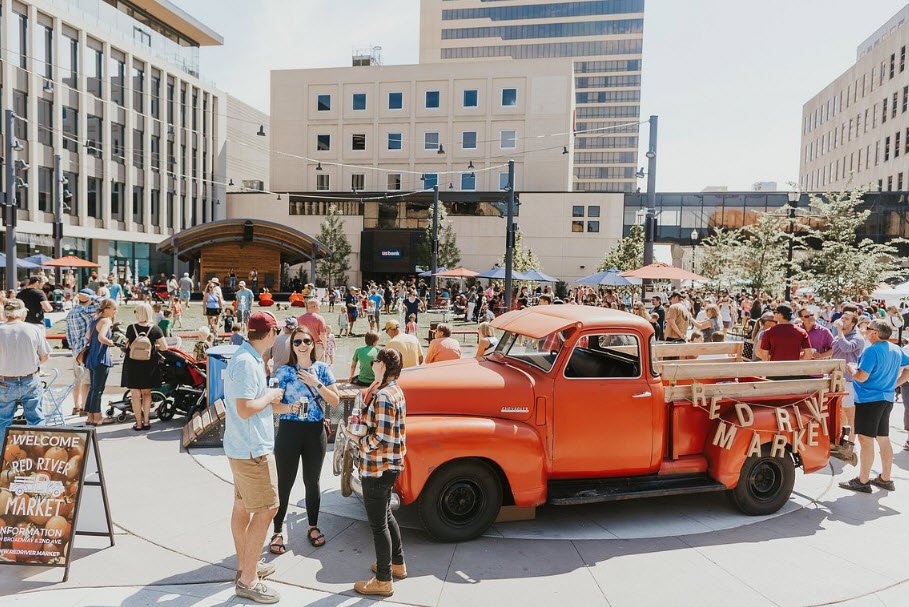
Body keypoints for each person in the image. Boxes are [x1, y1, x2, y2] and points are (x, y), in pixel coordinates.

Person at [222, 311, 287, 603]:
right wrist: (272, 396)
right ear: (270, 334)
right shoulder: (248, 363)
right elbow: (246, 408)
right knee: (268, 509)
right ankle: (248, 580)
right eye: (278, 332)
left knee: (242, 506)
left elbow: (247, 406)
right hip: (252, 450)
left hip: (241, 447)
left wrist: (279, 405)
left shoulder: (247, 357)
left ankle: (245, 566)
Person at [270, 326, 340, 556]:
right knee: (284, 482)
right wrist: (290, 407)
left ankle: (312, 526)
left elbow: (335, 401)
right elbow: (272, 405)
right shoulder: (283, 372)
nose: (302, 345)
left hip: (314, 431)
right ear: (292, 346)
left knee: (312, 481)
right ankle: (277, 531)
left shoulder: (322, 369)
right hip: (289, 430)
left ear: (313, 344)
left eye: (306, 341)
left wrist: (315, 383)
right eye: (297, 342)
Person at [353, 348, 407, 597]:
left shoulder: (384, 395)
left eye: (375, 361)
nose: (372, 364)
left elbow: (381, 437)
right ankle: (397, 563)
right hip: (390, 465)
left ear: (383, 365)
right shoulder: (394, 390)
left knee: (378, 525)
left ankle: (384, 580)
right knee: (385, 515)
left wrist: (360, 443)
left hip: (378, 466)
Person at [839, 319, 909, 493]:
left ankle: (863, 481)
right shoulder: (895, 348)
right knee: (883, 438)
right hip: (886, 399)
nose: (865, 330)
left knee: (865, 439)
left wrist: (851, 369)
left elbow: (861, 377)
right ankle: (885, 478)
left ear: (875, 333)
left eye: (868, 328)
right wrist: (895, 383)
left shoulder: (872, 350)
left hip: (869, 400)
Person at [0, 299, 50, 437]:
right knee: (36, 419)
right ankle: (36, 448)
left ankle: (2, 449)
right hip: (30, 379)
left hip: (4, 381)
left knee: (3, 421)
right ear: (22, 312)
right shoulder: (33, 329)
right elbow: (45, 356)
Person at [122, 302, 168, 431]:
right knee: (147, 394)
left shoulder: (131, 328)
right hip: (149, 364)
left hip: (132, 364)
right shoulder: (155, 329)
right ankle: (147, 421)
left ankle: (138, 423)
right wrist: (152, 346)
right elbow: (164, 347)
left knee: (135, 394)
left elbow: (126, 345)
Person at [831, 312, 865, 459]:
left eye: (846, 319)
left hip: (849, 381)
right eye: (842, 318)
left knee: (851, 415)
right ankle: (840, 442)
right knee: (840, 413)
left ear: (853, 323)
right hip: (836, 378)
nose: (842, 320)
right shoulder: (839, 335)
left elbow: (846, 348)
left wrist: (839, 330)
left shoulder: (857, 338)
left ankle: (850, 445)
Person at [84, 298, 118, 426]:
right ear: (107, 308)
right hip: (101, 357)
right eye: (114, 309)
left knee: (93, 388)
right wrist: (111, 342)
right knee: (98, 389)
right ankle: (97, 417)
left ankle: (90, 417)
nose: (115, 311)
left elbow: (88, 336)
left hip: (91, 357)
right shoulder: (106, 320)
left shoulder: (95, 320)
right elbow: (101, 337)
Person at [65, 289, 99, 416]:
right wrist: (92, 297)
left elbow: (68, 333)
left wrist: (73, 346)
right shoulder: (86, 310)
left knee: (77, 379)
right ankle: (85, 408)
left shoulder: (71, 312)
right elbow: (104, 303)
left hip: (75, 350)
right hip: (86, 350)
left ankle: (76, 406)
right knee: (87, 381)